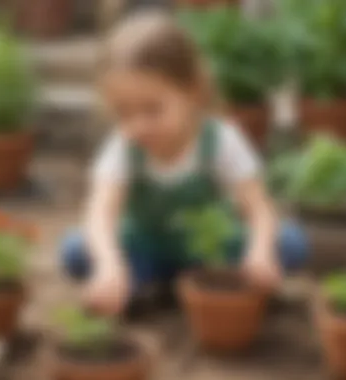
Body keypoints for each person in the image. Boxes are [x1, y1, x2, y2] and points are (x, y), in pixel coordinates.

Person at [61, 11, 308, 316]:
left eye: (153, 109)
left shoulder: (221, 140)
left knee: (291, 244)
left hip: (211, 251)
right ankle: (140, 281)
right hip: (146, 248)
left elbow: (259, 208)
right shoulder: (123, 148)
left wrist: (259, 252)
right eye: (123, 113)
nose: (138, 126)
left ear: (192, 91)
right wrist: (110, 264)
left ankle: (178, 283)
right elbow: (100, 213)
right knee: (76, 250)